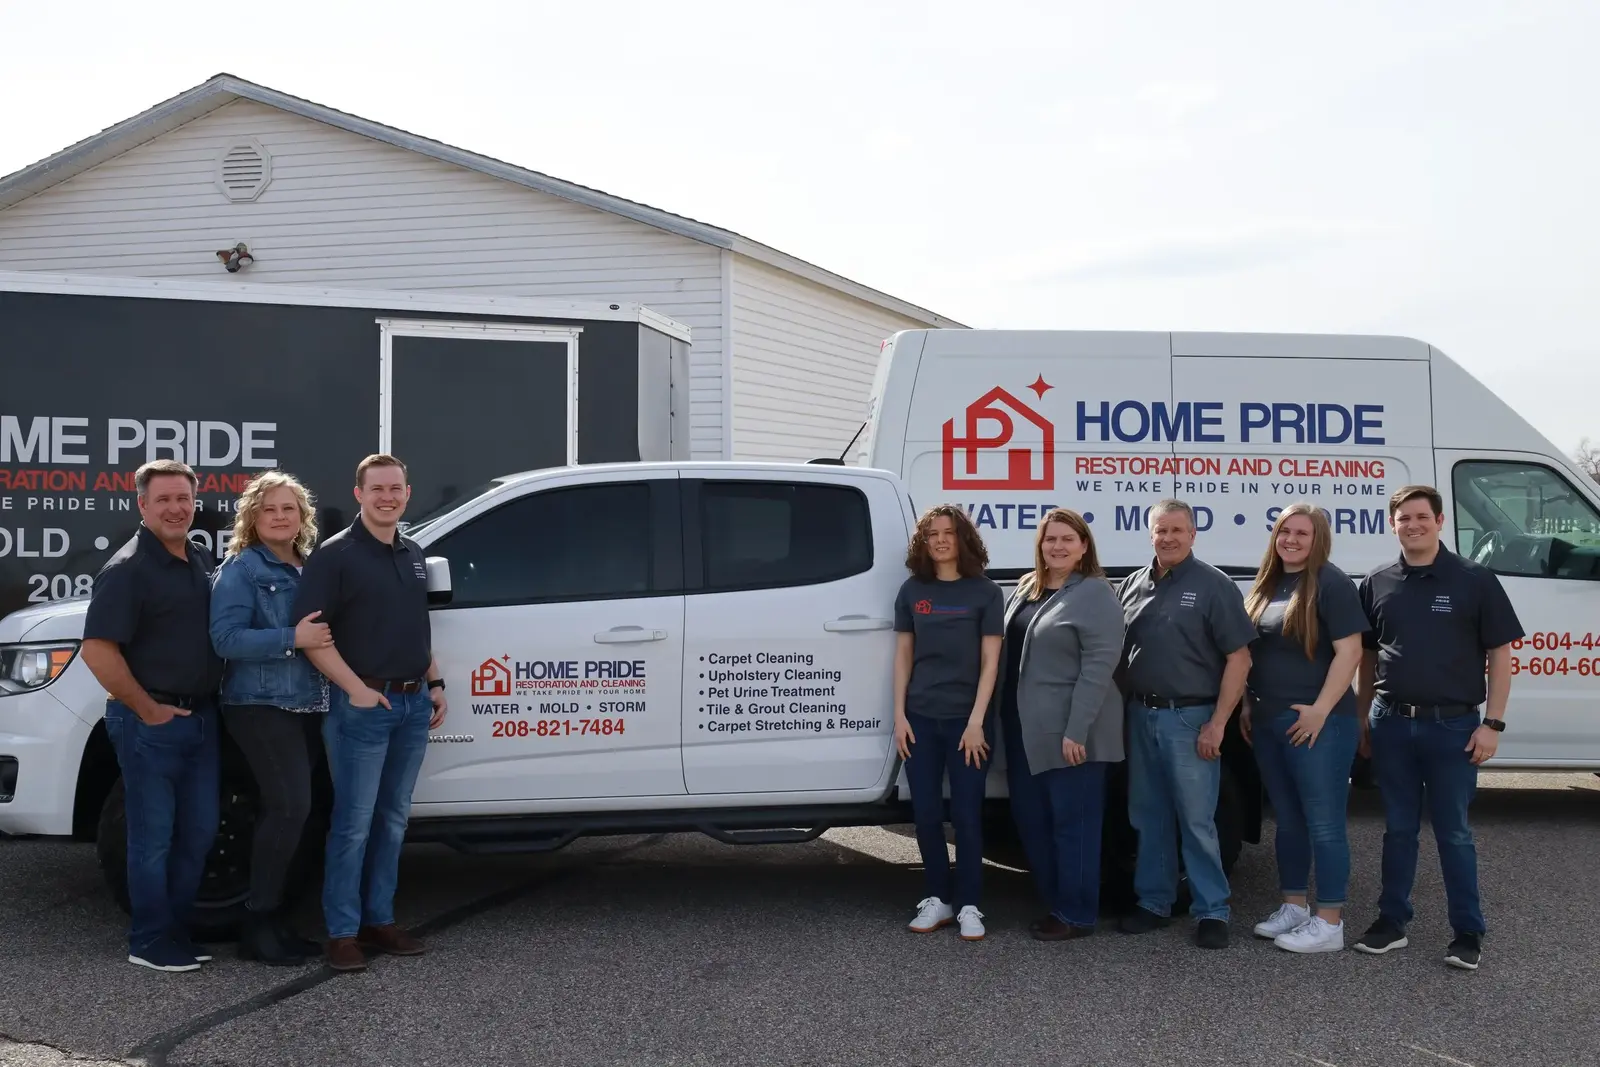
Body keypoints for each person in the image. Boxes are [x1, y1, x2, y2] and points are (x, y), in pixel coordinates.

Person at [1353, 485, 1522, 971]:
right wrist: (1364, 716)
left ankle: (1467, 931)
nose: (1413, 525)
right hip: (1391, 723)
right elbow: (1368, 658)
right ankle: (1391, 923)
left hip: (1453, 727)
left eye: (1422, 517)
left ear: (1441, 521)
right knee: (1399, 829)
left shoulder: (1474, 579)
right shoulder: (1378, 581)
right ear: (1392, 524)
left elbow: (1501, 655)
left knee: (1454, 833)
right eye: (1403, 518)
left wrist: (1492, 724)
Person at [290, 454, 448, 973]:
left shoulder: (414, 553)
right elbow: (313, 636)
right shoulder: (334, 556)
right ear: (358, 494)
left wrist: (434, 681)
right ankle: (340, 933)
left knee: (393, 821)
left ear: (407, 492)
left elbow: (416, 628)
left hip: (412, 703)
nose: (387, 496)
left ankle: (380, 921)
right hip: (362, 706)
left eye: (396, 488)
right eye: (376, 488)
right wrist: (357, 690)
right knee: (353, 824)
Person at [79, 460, 224, 972]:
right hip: (150, 722)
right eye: (162, 499)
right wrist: (147, 709)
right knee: (152, 837)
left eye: (183, 498)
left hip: (201, 719)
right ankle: (148, 940)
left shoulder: (202, 559)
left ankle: (174, 931)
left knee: (200, 831)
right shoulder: (128, 569)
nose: (175, 508)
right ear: (141, 505)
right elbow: (98, 650)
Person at [1115, 499, 1256, 949]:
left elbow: (1240, 657)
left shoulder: (1214, 586)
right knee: (1148, 814)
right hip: (1140, 715)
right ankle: (1153, 902)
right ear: (1149, 533)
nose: (1169, 538)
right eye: (1161, 530)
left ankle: (1212, 910)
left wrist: (1219, 723)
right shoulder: (1133, 585)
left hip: (1191, 718)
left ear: (1193, 534)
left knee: (1197, 819)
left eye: (1178, 530)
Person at [209, 470, 335, 966]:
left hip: (306, 704)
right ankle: (256, 928)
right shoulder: (241, 569)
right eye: (270, 509)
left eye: (289, 509)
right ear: (253, 517)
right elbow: (225, 639)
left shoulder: (310, 566)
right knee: (288, 809)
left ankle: (276, 920)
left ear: (303, 516)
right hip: (260, 706)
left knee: (297, 812)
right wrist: (291, 638)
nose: (281, 517)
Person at [1240, 503, 1368, 954]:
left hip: (1319, 725)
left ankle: (1329, 921)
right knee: (1289, 821)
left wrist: (1318, 710)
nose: (1291, 539)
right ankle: (1294, 907)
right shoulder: (1270, 582)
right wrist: (1246, 704)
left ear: (1319, 540)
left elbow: (1350, 653)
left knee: (1324, 823)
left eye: (1302, 533)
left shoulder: (1330, 583)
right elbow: (1253, 652)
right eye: (1285, 531)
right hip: (1271, 719)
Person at [995, 509, 1125, 941]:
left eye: (1068, 539)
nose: (1058, 547)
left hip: (1073, 733)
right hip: (1025, 731)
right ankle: (1056, 904)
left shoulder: (1095, 593)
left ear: (1084, 546)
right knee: (1032, 821)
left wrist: (1078, 729)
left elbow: (1099, 667)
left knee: (1075, 826)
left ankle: (1077, 914)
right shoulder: (1028, 588)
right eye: (1051, 539)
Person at [893, 504, 1004, 942]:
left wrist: (976, 721)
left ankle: (971, 904)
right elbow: (903, 656)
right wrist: (899, 715)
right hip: (919, 720)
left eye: (948, 533)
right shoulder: (911, 590)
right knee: (923, 815)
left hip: (967, 723)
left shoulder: (985, 592)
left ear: (962, 540)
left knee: (967, 816)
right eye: (932, 534)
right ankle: (937, 898)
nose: (940, 540)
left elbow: (990, 662)